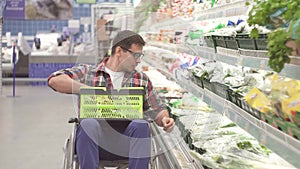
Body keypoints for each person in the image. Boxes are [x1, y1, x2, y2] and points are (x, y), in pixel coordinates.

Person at [48, 30, 175, 169]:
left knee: (141, 125)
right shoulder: (88, 73)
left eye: (140, 56)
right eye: (136, 55)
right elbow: (55, 80)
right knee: (88, 123)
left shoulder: (141, 79)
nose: (139, 60)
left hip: (127, 143)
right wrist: (87, 90)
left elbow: (157, 109)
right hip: (94, 143)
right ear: (119, 51)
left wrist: (165, 119)